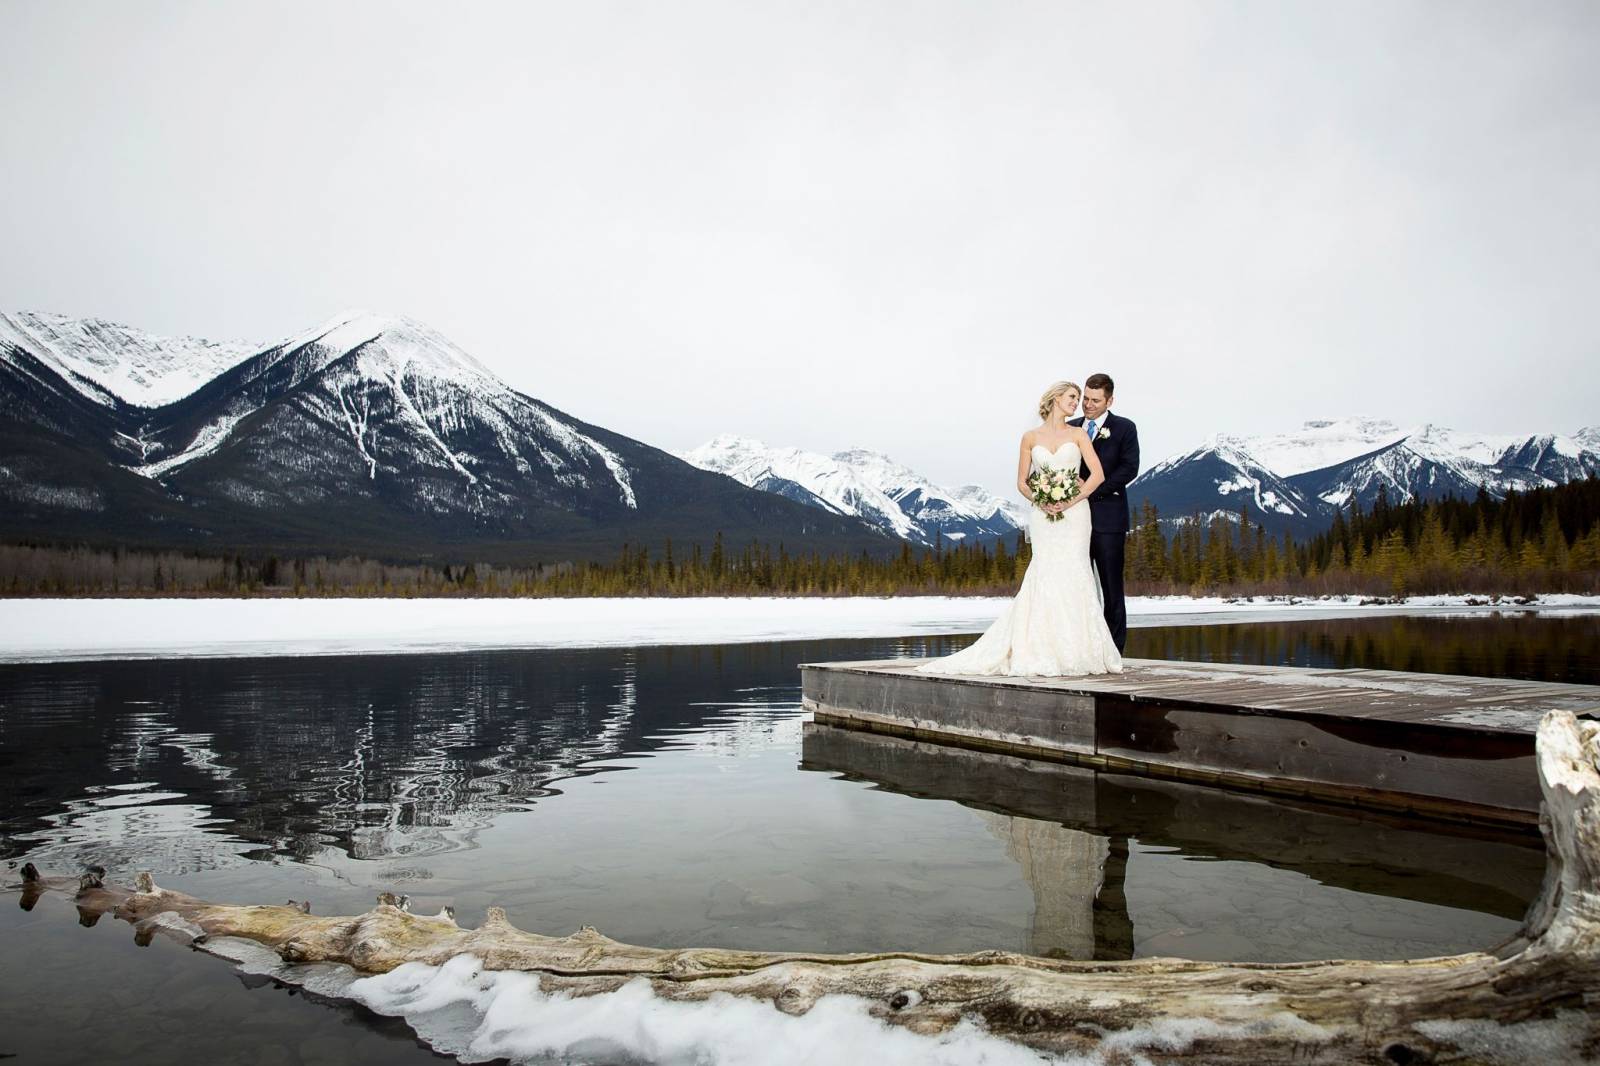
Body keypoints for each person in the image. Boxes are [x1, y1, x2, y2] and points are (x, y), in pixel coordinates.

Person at [917, 380, 1122, 677]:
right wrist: (1041, 498)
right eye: (1072, 397)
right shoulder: (1029, 437)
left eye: (1078, 399)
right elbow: (1022, 482)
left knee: (1076, 572)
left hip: (1076, 515)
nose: (1076, 403)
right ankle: (1039, 647)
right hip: (1043, 517)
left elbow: (1098, 475)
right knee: (1044, 572)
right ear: (1055, 398)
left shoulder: (1079, 434)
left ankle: (1080, 649)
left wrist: (1070, 500)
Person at [1069, 373, 1138, 652]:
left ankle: (1113, 650)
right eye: (1085, 398)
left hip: (1109, 519)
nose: (1087, 405)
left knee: (1111, 587)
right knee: (1078, 585)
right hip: (1073, 520)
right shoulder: (1070, 428)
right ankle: (1081, 647)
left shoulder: (1124, 428)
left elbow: (1129, 468)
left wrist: (1091, 490)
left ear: (1110, 400)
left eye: (1095, 400)